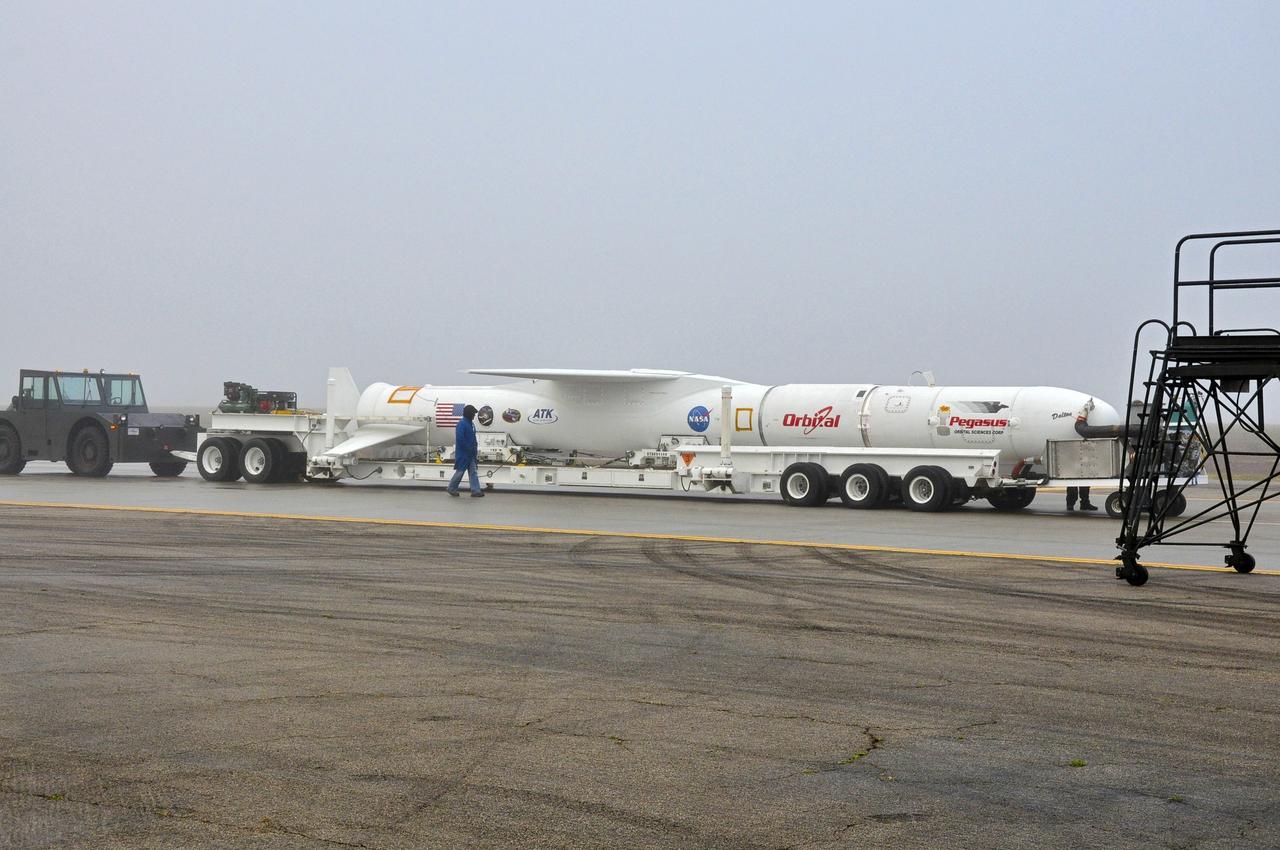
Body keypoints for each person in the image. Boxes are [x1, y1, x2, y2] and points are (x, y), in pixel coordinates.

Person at [447, 405, 484, 497]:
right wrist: (468, 448)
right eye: (473, 413)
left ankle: (476, 491)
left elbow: (473, 437)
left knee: (473, 472)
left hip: (471, 454)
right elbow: (460, 439)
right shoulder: (462, 424)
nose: (474, 415)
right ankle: (451, 488)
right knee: (460, 472)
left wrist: (474, 449)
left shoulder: (471, 424)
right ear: (469, 413)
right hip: (463, 453)